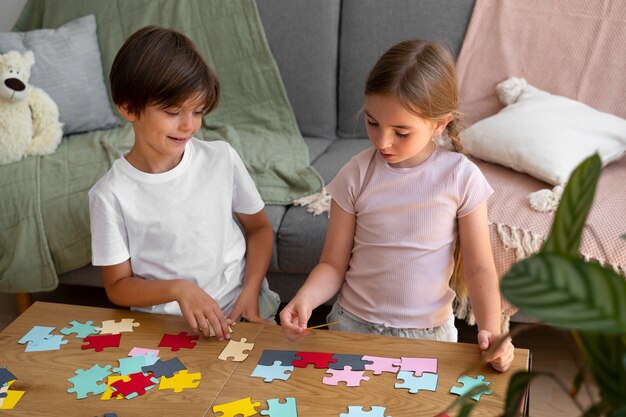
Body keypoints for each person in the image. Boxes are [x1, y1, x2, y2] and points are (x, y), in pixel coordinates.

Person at [280, 39, 514, 372]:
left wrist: (491, 329)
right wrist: (304, 299)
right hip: (351, 327)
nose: (382, 141)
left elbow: (480, 269)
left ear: (439, 124)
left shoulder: (462, 177)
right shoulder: (356, 173)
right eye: (373, 123)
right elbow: (332, 265)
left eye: (401, 132)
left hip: (429, 337)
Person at [89, 26, 280, 341]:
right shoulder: (109, 195)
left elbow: (259, 229)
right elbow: (118, 287)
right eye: (173, 111)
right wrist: (180, 290)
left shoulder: (221, 158)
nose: (188, 125)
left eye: (198, 111)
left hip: (241, 309)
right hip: (166, 330)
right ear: (127, 107)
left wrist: (251, 289)